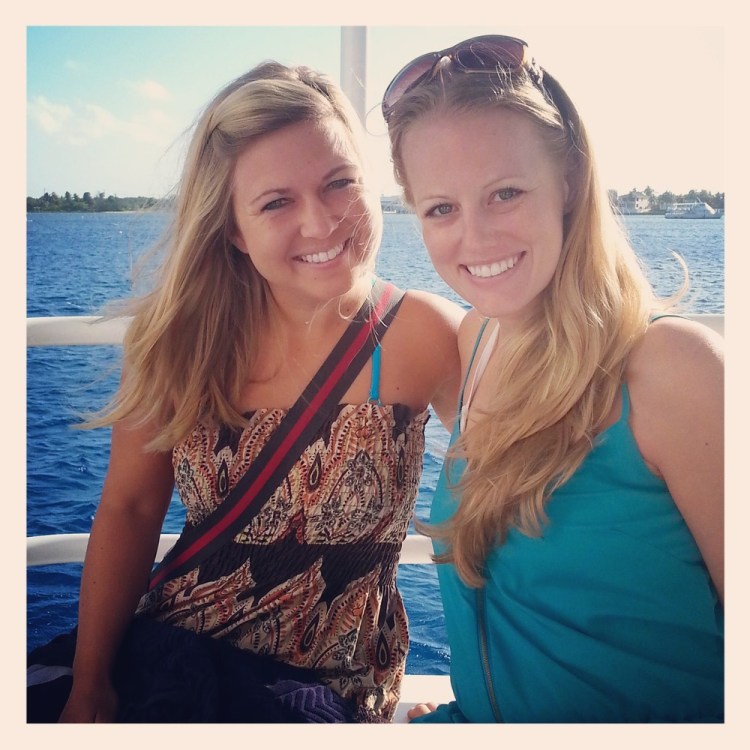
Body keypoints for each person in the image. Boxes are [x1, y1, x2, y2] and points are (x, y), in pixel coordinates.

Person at [27, 61, 463, 724]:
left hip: (329, 684)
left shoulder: (424, 334)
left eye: (339, 182)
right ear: (233, 227)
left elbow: (514, 492)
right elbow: (130, 510)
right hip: (177, 649)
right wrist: (91, 686)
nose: (320, 223)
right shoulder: (180, 342)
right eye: (276, 202)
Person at [381, 35, 724, 722]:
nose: (474, 237)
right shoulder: (477, 341)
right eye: (441, 208)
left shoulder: (673, 369)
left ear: (569, 179)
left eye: (505, 193)